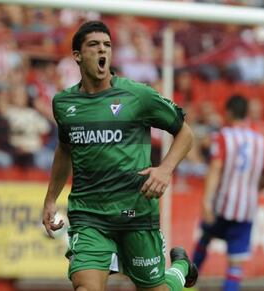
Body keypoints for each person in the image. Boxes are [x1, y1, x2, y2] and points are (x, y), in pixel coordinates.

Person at [42, 21, 198, 291]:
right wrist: (50, 200)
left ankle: (179, 271)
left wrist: (164, 169)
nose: (103, 50)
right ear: (78, 55)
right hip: (88, 215)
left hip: (136, 212)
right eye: (94, 45)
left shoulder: (137, 95)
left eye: (107, 45)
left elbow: (185, 134)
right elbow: (65, 149)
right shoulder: (64, 104)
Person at [192, 95, 264, 291]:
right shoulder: (261, 140)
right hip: (246, 209)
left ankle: (188, 286)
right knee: (235, 266)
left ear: (228, 112)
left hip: (222, 205)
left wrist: (206, 201)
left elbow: (216, 168)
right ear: (246, 113)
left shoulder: (223, 136)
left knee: (204, 240)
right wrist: (252, 189)